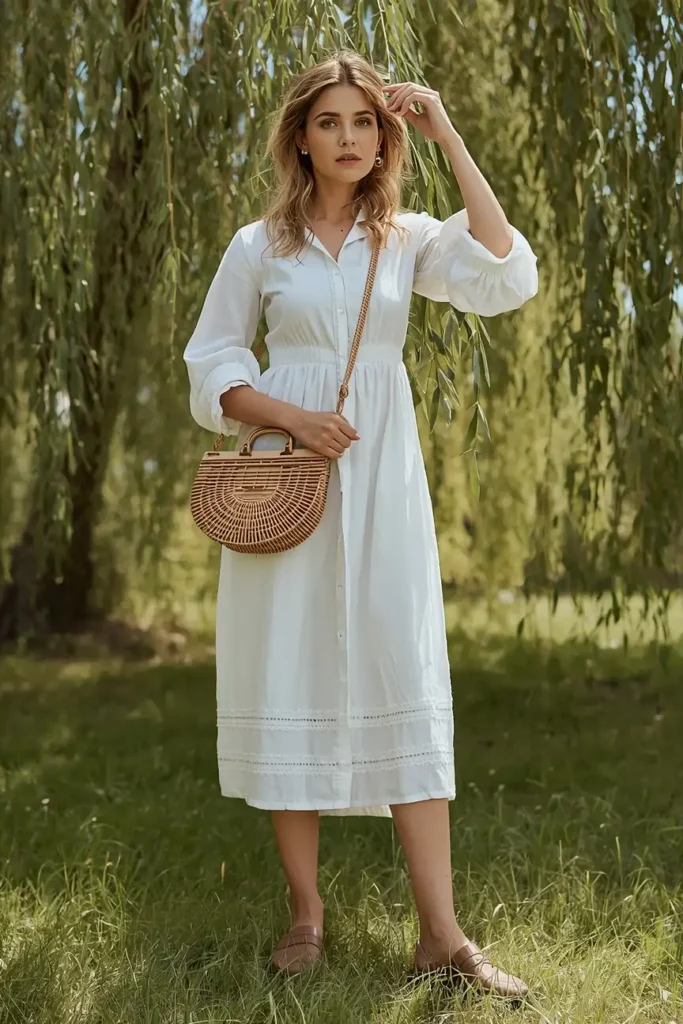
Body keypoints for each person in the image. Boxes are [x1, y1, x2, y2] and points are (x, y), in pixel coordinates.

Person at [183, 50, 538, 995]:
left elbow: (506, 271)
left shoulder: (406, 237)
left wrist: (447, 135)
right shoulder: (258, 247)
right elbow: (211, 360)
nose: (349, 138)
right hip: (289, 477)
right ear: (300, 135)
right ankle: (305, 913)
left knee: (402, 662)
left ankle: (442, 936)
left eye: (364, 123)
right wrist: (291, 418)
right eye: (330, 121)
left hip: (383, 475)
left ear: (383, 137)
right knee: (286, 663)